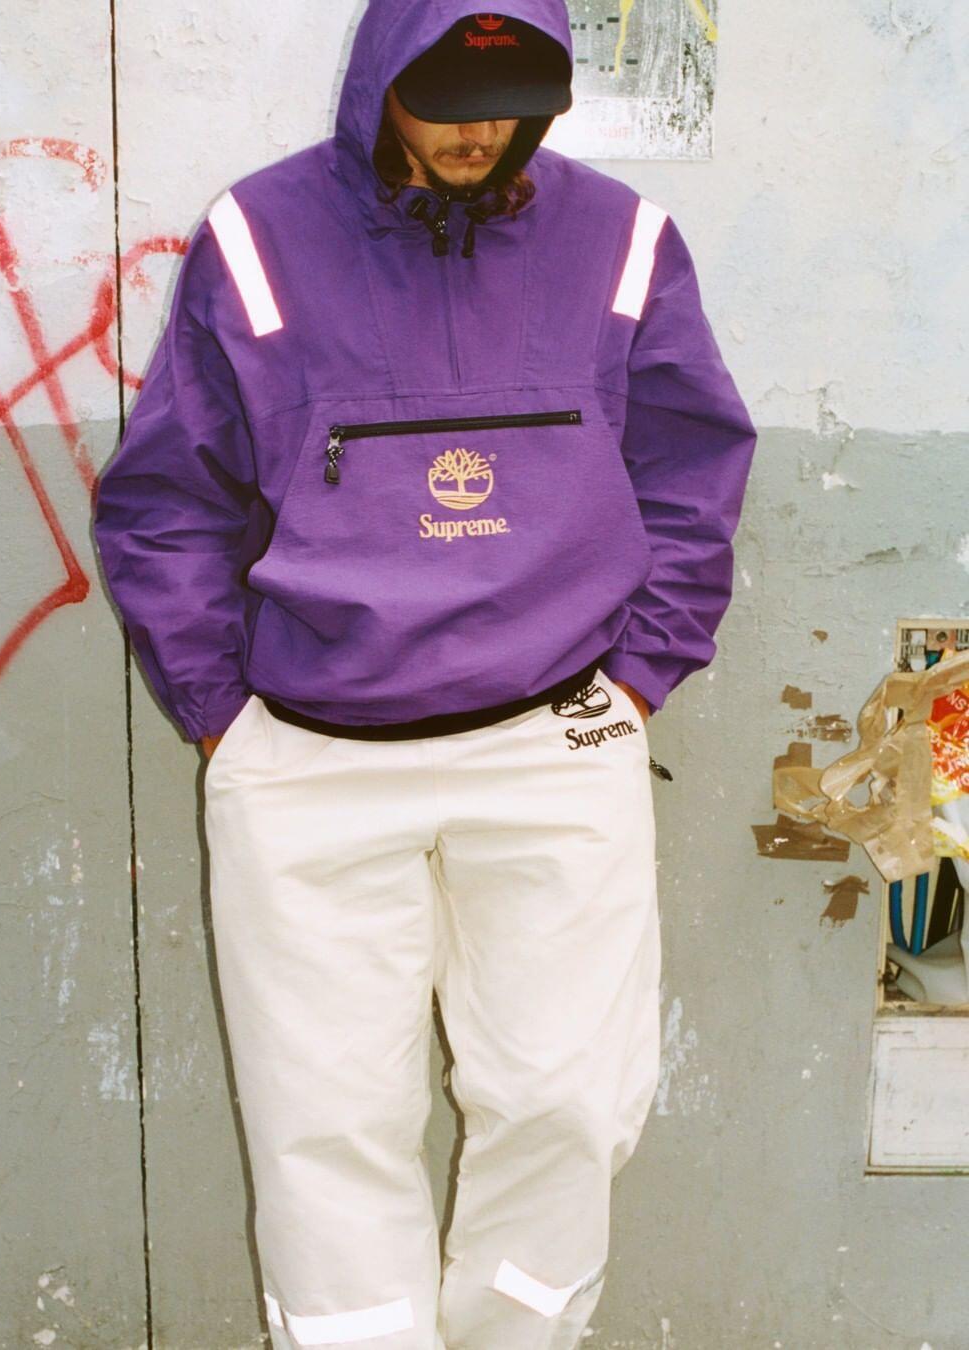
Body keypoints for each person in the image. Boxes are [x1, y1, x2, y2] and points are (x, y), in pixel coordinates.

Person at [93, 2, 758, 1346]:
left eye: (509, 100)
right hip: (311, 758)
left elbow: (694, 470)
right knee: (325, 1124)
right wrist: (224, 718)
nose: (477, 130)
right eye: (444, 95)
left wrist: (636, 680)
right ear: (381, 75)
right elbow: (167, 500)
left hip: (553, 741)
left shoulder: (621, 242)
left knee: (568, 1101)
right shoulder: (259, 238)